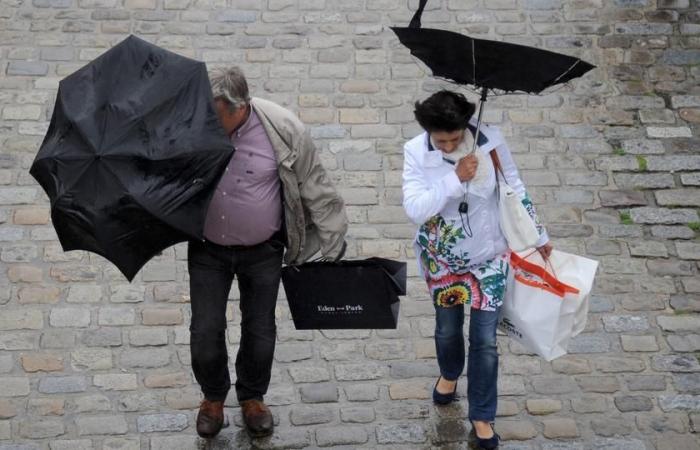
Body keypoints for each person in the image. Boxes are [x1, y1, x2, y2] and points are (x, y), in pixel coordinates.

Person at [190, 66, 347, 439]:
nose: (211, 120)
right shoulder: (193, 125)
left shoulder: (283, 128)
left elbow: (314, 183)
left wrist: (333, 238)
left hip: (263, 249)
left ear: (239, 106)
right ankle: (213, 398)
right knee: (205, 329)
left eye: (218, 114)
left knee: (260, 329)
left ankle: (252, 397)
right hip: (207, 248)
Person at [402, 90, 552, 450]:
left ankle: (483, 416)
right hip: (442, 259)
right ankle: (450, 374)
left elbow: (514, 184)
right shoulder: (415, 152)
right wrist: (454, 178)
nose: (450, 145)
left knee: (484, 341)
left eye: (455, 139)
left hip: (490, 255)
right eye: (442, 141)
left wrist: (538, 234)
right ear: (429, 134)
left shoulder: (489, 140)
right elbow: (415, 208)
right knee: (447, 329)